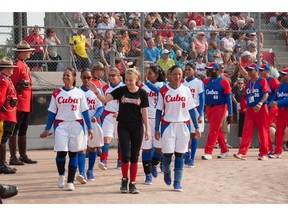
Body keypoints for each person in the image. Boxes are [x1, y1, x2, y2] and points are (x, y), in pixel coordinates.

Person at [88, 68, 149, 194]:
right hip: (123, 126)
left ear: (137, 79)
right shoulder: (121, 90)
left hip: (137, 127)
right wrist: (96, 92)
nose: (128, 82)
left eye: (131, 80)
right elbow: (105, 100)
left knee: (134, 155)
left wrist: (147, 129)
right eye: (126, 80)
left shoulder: (142, 93)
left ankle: (133, 183)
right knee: (125, 154)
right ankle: (124, 179)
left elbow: (144, 112)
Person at [40, 67, 94, 191]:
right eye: (64, 75)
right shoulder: (56, 92)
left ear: (74, 78)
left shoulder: (80, 93)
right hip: (61, 125)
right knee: (61, 152)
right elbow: (52, 112)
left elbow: (85, 112)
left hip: (76, 125)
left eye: (68, 75)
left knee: (73, 153)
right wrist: (47, 128)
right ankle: (61, 175)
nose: (65, 77)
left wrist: (90, 127)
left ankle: (70, 181)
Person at [154, 65, 201, 192]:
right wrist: (156, 128)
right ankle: (167, 171)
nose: (178, 76)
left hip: (183, 125)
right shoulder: (163, 90)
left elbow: (191, 109)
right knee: (167, 155)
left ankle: (177, 182)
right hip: (168, 125)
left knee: (180, 154)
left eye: (180, 74)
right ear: (169, 75)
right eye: (175, 74)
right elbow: (159, 111)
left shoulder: (186, 90)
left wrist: (196, 127)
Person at [233, 63, 271, 161]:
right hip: (250, 109)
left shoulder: (262, 81)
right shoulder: (249, 82)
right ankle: (242, 153)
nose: (249, 72)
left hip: (261, 108)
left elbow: (266, 94)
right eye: (248, 70)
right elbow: (246, 96)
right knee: (246, 130)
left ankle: (264, 153)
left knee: (262, 131)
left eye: (251, 70)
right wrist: (239, 66)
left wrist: (260, 104)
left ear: (256, 70)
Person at [9, 40, 37, 166]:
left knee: (23, 130)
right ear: (23, 52)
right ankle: (13, 156)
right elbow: (12, 84)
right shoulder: (17, 65)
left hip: (25, 102)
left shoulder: (24, 65)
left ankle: (23, 155)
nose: (30, 53)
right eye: (28, 51)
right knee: (15, 130)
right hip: (19, 102)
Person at [76, 68, 104, 184]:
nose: (86, 80)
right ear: (80, 78)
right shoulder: (77, 91)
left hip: (93, 122)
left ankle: (90, 170)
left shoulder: (96, 90)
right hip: (80, 123)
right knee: (81, 148)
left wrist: (96, 116)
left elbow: (101, 106)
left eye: (89, 78)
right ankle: (81, 172)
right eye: (84, 77)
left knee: (92, 147)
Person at [202, 62, 233, 160]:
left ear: (216, 69)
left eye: (211, 69)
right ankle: (224, 150)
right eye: (208, 69)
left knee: (213, 129)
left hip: (220, 107)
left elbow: (229, 98)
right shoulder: (206, 81)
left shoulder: (224, 82)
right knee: (216, 129)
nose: (209, 71)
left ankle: (208, 151)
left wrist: (230, 113)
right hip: (209, 107)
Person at [140, 65, 166, 184]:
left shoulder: (163, 85)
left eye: (150, 73)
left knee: (159, 149)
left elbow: (160, 92)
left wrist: (148, 84)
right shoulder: (143, 86)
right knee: (146, 148)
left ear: (157, 74)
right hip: (146, 119)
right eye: (147, 72)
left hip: (158, 120)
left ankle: (154, 164)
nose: (148, 74)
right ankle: (148, 174)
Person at [98, 68, 125, 170]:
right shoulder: (105, 88)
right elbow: (103, 102)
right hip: (108, 115)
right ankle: (104, 160)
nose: (112, 77)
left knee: (120, 139)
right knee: (106, 137)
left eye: (114, 75)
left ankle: (120, 160)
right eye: (110, 75)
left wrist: (121, 112)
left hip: (121, 115)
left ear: (119, 76)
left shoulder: (123, 87)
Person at [182, 63, 205, 167]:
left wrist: (200, 113)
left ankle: (192, 158)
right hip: (184, 111)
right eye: (186, 70)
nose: (187, 71)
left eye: (189, 69)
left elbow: (202, 98)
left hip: (195, 110)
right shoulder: (182, 82)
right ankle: (186, 153)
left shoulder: (198, 82)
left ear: (194, 70)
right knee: (184, 134)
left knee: (194, 134)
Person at [0, 57, 18, 174]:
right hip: (4, 115)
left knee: (3, 139)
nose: (13, 69)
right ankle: (2, 164)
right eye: (11, 67)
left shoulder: (6, 79)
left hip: (9, 114)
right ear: (6, 68)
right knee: (2, 140)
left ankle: (3, 163)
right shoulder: (3, 80)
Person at [259, 64, 280, 157]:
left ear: (267, 71)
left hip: (272, 108)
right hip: (265, 107)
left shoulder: (273, 80)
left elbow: (279, 92)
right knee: (265, 128)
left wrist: (276, 102)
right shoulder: (262, 80)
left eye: (262, 70)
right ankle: (268, 148)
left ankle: (270, 149)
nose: (260, 72)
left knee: (266, 127)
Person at [269, 67, 288, 158]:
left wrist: (277, 102)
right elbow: (275, 97)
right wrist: (270, 104)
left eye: (284, 74)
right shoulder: (280, 86)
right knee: (279, 132)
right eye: (281, 74)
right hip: (281, 111)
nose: (282, 76)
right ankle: (278, 152)